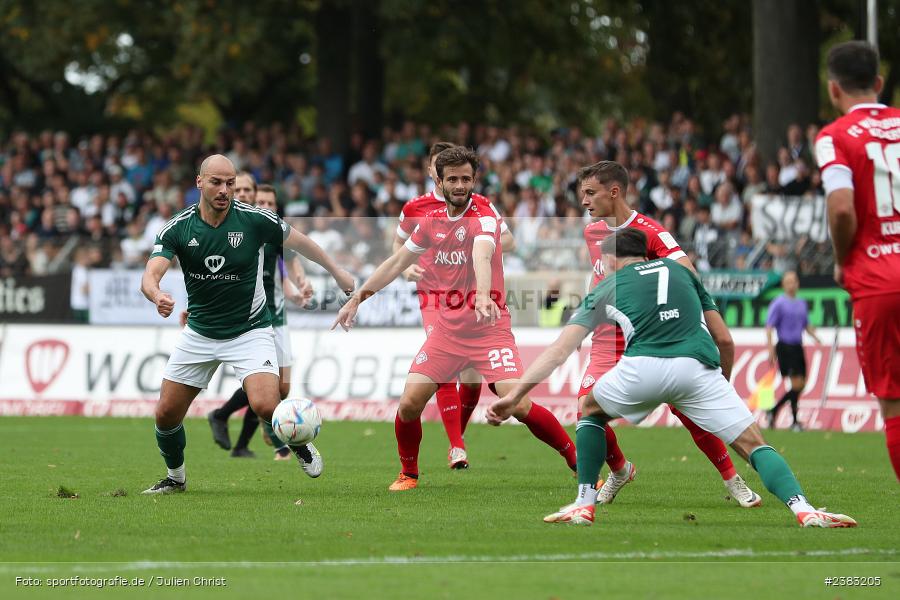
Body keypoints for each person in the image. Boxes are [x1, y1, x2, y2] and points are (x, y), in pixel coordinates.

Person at [490, 229, 856, 528]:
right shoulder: (685, 273)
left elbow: (559, 350)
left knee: (589, 409)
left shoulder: (606, 286)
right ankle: (805, 509)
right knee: (753, 443)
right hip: (697, 366)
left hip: (643, 366)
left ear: (613, 260)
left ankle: (584, 504)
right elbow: (725, 338)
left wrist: (515, 395)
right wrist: (719, 382)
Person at [334, 147, 576, 491]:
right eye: (453, 179)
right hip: (448, 330)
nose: (460, 185)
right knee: (408, 404)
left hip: (488, 328)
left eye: (466, 178)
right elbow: (397, 262)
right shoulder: (430, 222)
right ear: (441, 182)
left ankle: (577, 461)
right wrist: (358, 297)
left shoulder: (484, 216)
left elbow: (483, 252)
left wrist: (481, 292)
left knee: (519, 404)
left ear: (474, 180)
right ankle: (409, 474)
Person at [139, 154, 354, 494]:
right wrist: (156, 294)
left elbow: (301, 243)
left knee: (267, 404)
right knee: (165, 415)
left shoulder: (254, 220)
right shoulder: (178, 227)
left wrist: (337, 271)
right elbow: (151, 274)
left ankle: (298, 443)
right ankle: (175, 478)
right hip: (199, 332)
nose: (224, 190)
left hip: (249, 331)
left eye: (230, 184)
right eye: (216, 182)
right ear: (199, 183)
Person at [575, 161, 761, 508]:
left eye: (589, 193)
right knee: (586, 411)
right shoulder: (592, 232)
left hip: (653, 333)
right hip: (608, 338)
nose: (583, 201)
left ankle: (733, 479)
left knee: (690, 414)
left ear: (613, 192)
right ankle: (619, 470)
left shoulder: (650, 231)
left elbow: (686, 272)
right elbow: (598, 274)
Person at [392, 141, 516, 469]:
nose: (448, 177)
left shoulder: (481, 206)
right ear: (433, 172)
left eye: (462, 175)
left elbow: (509, 241)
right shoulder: (416, 208)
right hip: (434, 295)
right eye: (439, 168)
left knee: (472, 382)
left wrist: (482, 251)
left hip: (472, 297)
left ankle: (456, 437)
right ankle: (456, 445)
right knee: (442, 364)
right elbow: (397, 244)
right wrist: (405, 268)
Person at [816, 41, 900, 481]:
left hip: (879, 281)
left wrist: (843, 257)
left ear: (834, 90)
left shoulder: (835, 138)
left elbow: (842, 208)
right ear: (880, 83)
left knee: (895, 403)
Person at [206, 183, 314, 459]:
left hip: (277, 316)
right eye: (261, 202)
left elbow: (288, 267)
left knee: (281, 388)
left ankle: (237, 432)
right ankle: (275, 440)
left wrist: (298, 286)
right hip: (252, 321)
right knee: (267, 387)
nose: (266, 207)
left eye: (271, 204)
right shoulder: (242, 232)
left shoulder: (273, 233)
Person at [765, 271, 821, 431]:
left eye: (794, 281)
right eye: (788, 282)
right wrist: (771, 350)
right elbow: (769, 327)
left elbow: (806, 325)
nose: (791, 285)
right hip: (785, 347)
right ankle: (794, 421)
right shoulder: (778, 303)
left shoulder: (801, 303)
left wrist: (816, 337)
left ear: (797, 283)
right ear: (783, 284)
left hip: (798, 347)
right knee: (796, 384)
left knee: (801, 385)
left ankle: (773, 411)